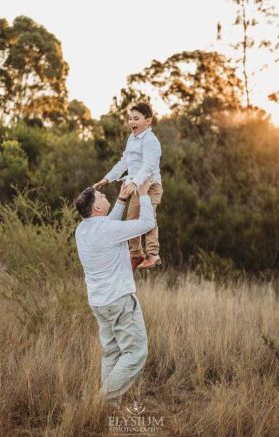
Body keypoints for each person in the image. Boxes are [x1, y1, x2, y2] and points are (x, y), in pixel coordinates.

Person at [74, 180, 154, 403]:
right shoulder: (109, 229)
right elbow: (147, 223)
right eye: (101, 197)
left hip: (99, 303)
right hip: (119, 301)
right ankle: (101, 402)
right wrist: (144, 194)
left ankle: (107, 409)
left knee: (111, 352)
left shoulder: (82, 230)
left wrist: (121, 200)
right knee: (136, 353)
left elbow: (107, 226)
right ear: (97, 208)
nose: (104, 197)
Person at [93, 102, 163, 270]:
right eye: (130, 119)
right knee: (131, 220)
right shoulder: (132, 139)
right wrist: (107, 178)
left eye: (136, 119)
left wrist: (134, 182)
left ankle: (153, 254)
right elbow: (124, 161)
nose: (132, 122)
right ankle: (136, 254)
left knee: (148, 217)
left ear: (148, 121)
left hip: (150, 186)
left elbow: (148, 166)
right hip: (136, 187)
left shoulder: (151, 141)